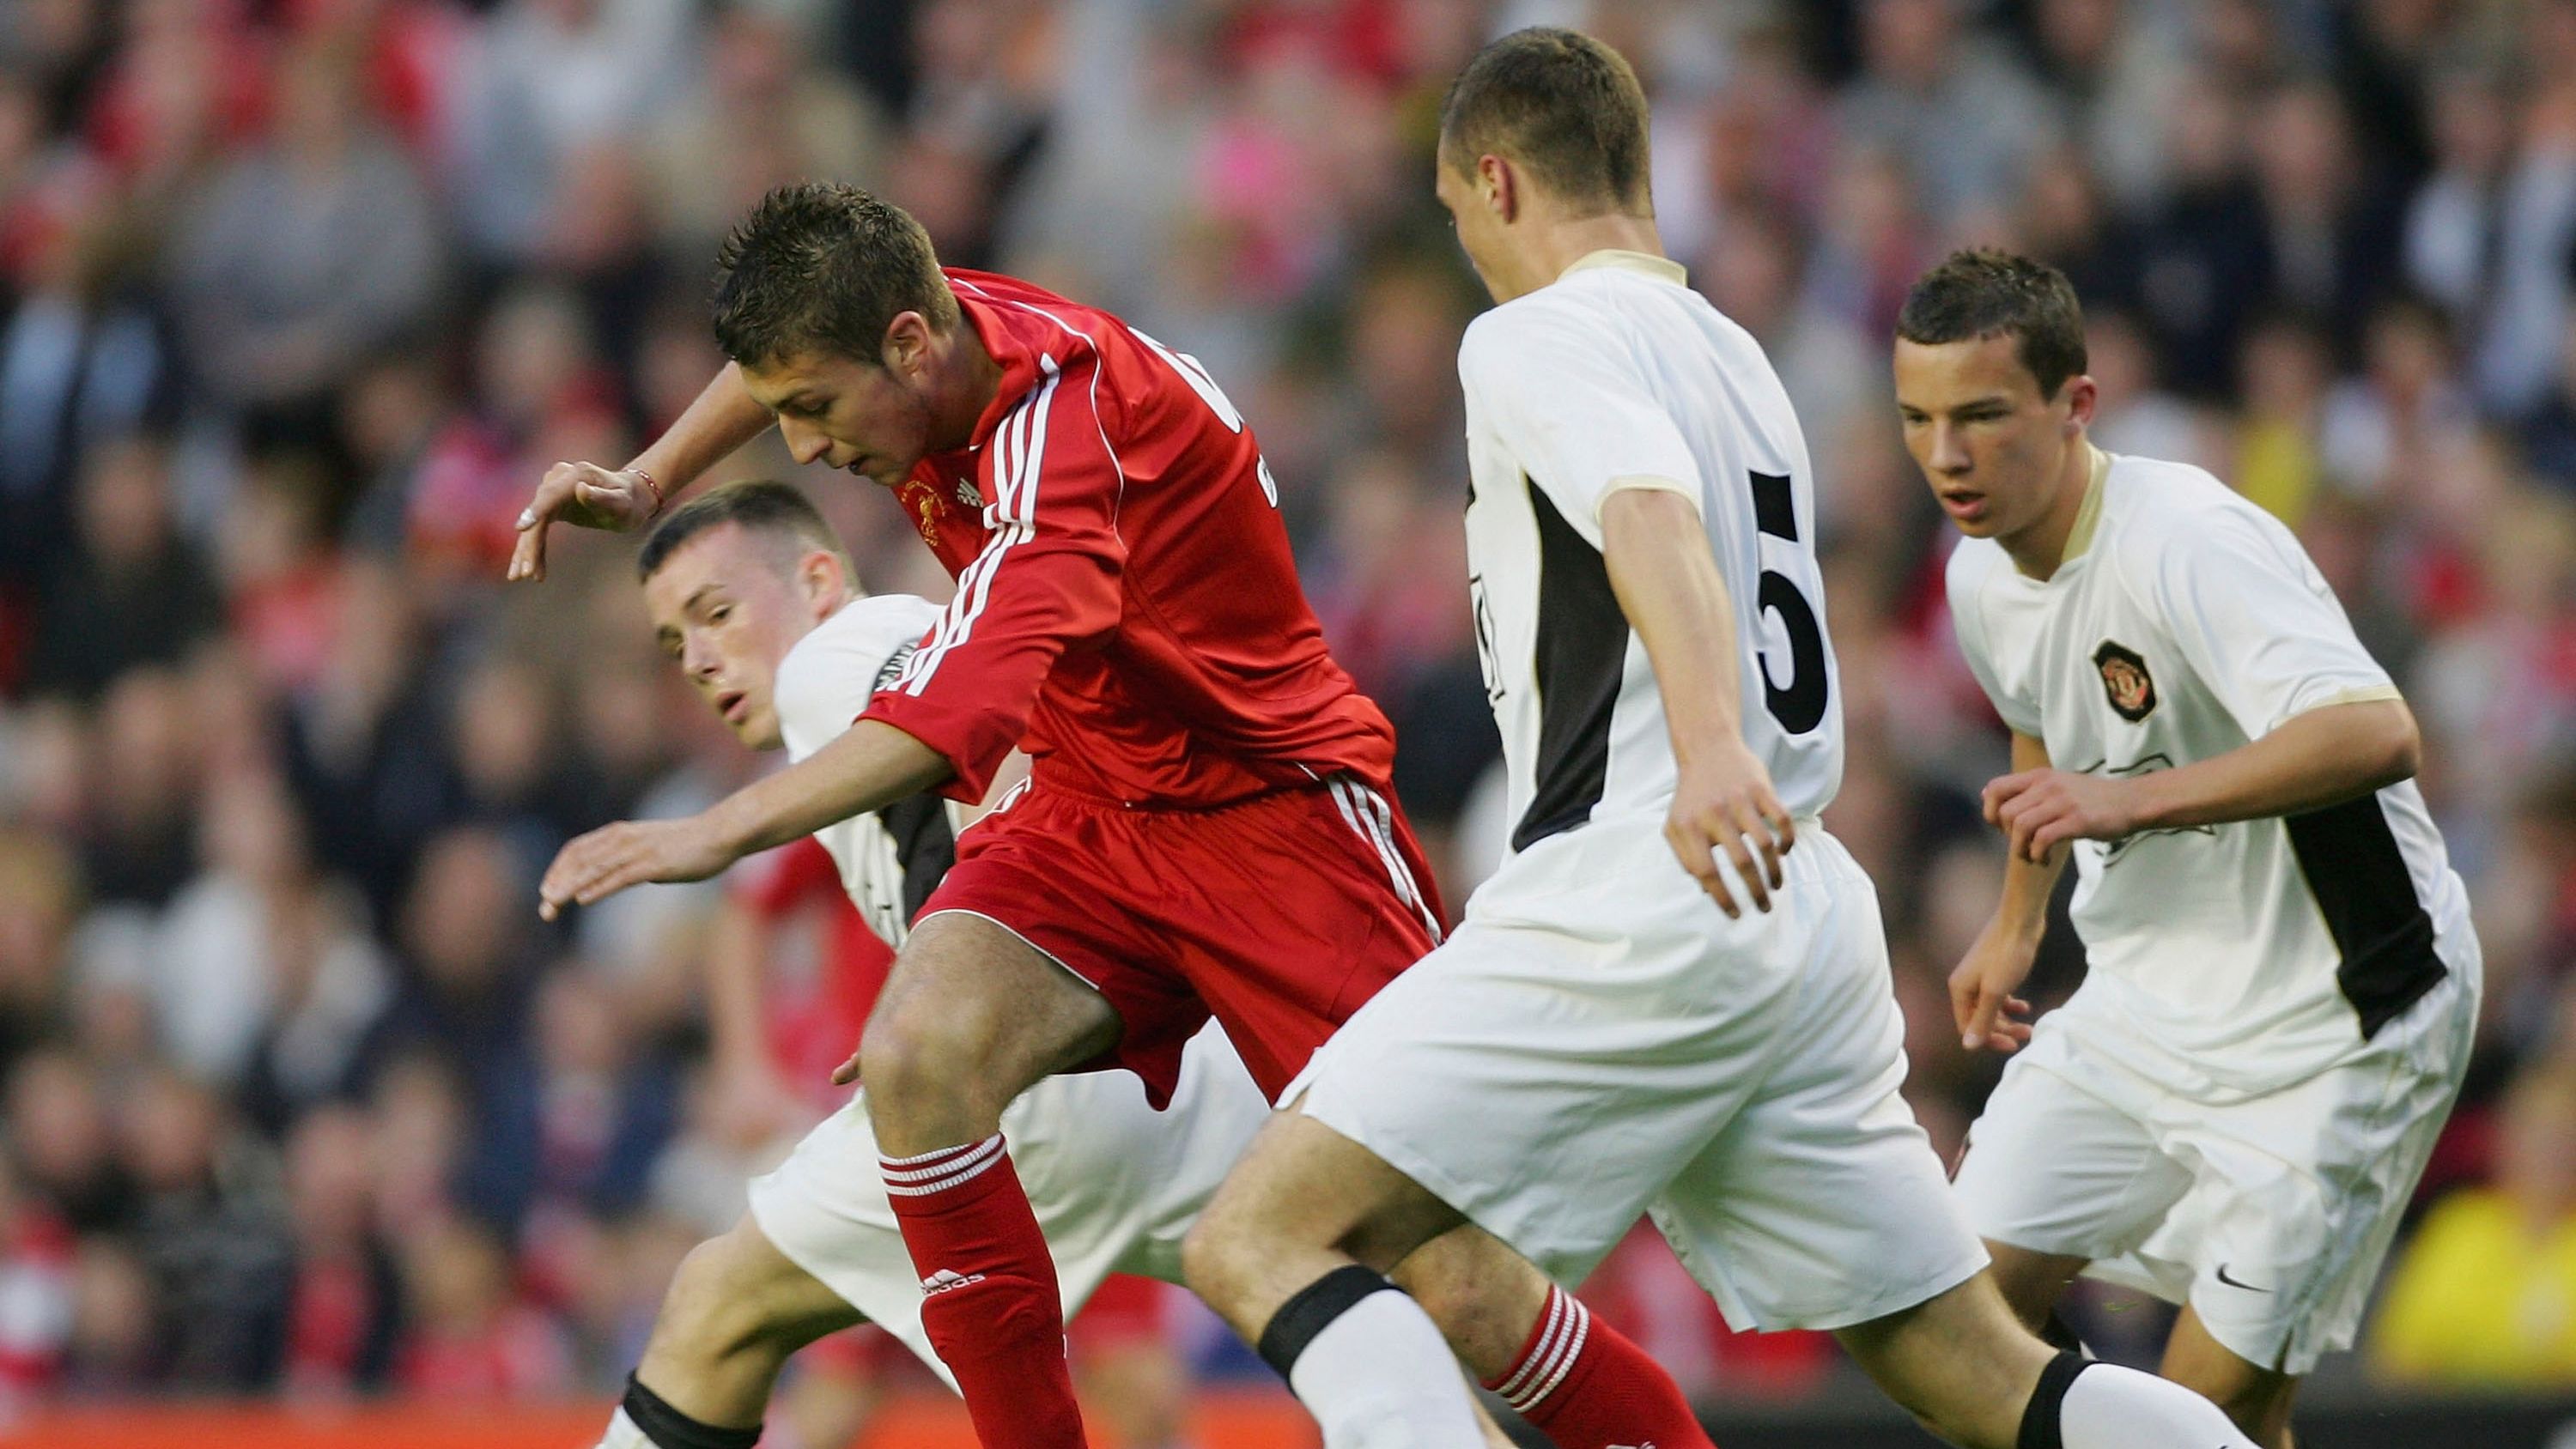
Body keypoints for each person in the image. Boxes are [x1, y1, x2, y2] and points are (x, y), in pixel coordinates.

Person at [1179, 29, 2266, 1449]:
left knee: (1262, 1236)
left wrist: (1704, 746)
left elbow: (1647, 514)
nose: (1470, 251)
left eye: (1457, 216)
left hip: (1648, 879)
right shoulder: (1737, 354)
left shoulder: (1533, 333)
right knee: (1977, 1369)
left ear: (1498, 184)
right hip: (1796, 907)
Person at [513, 184, 1712, 1449]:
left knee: (1461, 1279)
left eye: (813, 410)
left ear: (910, 349)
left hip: (1275, 825)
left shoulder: (1060, 440)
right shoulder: (926, 322)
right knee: (919, 1054)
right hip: (1090, 810)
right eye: (785, 409)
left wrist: (713, 832)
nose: (802, 447)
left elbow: (946, 720)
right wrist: (650, 477)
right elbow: (795, 350)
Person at [1901, 247, 2482, 1447]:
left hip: (2340, 1021)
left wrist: (2133, 804)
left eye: (1984, 416)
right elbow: (2041, 715)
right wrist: (2016, 922)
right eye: (1920, 419)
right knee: (1950, 1323)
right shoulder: (1978, 577)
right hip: (2146, 1008)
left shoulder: (2190, 537)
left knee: (2212, 1412)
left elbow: (2377, 732)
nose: (1947, 454)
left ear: (2076, 405)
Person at [587, 479, 1267, 1449]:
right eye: (674, 642)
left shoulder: (836, 661)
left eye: (718, 613)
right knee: (1317, 1282)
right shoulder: (839, 753)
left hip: (993, 1091)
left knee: (723, 1311)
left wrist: (991, 951)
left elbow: (997, 746)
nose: (698, 659)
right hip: (1132, 1068)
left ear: (819, 581)